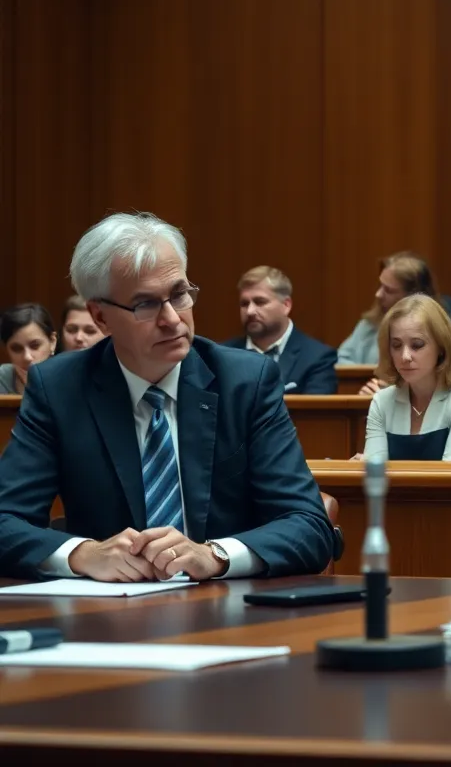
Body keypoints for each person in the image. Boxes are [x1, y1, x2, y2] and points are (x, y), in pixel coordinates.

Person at [0, 212, 333, 580]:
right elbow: (5, 520)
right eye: (146, 304)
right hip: (107, 618)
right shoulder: (59, 388)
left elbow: (309, 526)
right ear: (100, 317)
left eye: (179, 295)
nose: (173, 319)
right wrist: (82, 554)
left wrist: (215, 556)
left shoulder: (246, 382)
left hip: (230, 613)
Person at [363, 294, 451, 461]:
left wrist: (380, 468)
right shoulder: (382, 401)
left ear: (441, 347)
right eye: (396, 345)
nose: (405, 356)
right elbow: (375, 476)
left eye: (417, 345)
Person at [336, 251, 451, 365]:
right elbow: (342, 359)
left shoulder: (437, 328)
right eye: (380, 285)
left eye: (388, 290)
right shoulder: (370, 323)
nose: (378, 294)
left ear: (412, 295)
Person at [221, 265, 337, 394]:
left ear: (286, 305)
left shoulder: (317, 357)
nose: (250, 311)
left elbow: (316, 413)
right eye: (244, 304)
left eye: (260, 302)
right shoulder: (222, 356)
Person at [0, 304, 57, 395]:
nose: (27, 357)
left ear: (52, 342)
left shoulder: (70, 377)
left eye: (35, 346)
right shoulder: (2, 377)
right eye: (17, 349)